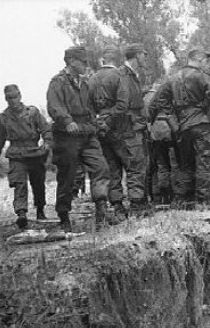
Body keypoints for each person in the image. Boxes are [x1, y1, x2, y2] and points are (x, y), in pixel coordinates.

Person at [47, 45, 114, 232]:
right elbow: (54, 106)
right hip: (67, 136)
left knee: (101, 168)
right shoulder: (57, 82)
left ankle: (101, 211)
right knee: (68, 177)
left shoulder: (84, 84)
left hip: (86, 133)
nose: (86, 65)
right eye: (83, 62)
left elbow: (90, 108)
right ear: (71, 62)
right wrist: (67, 121)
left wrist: (95, 122)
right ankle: (63, 216)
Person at [154, 46, 210, 208]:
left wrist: (172, 116)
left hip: (182, 125)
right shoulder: (200, 76)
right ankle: (202, 200)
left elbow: (159, 98)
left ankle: (184, 198)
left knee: (185, 163)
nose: (206, 64)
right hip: (201, 123)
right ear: (199, 60)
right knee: (204, 161)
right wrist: (206, 104)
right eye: (205, 61)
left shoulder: (173, 78)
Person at [0, 84, 52, 229]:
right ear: (6, 99)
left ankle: (40, 210)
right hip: (16, 154)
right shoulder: (3, 118)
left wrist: (47, 142)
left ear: (20, 96)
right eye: (9, 98)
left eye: (15, 97)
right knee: (19, 183)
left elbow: (45, 128)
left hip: (35, 152)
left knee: (38, 183)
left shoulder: (33, 112)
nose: (12, 101)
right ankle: (21, 213)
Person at [88, 44, 129, 220]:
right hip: (119, 127)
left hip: (99, 128)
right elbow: (122, 104)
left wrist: (99, 123)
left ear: (102, 59)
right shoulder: (119, 76)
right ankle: (132, 204)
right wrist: (109, 122)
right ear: (116, 60)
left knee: (110, 166)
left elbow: (87, 106)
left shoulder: (92, 79)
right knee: (131, 164)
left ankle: (116, 203)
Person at [117, 43, 150, 215]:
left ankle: (138, 201)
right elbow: (123, 103)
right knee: (135, 164)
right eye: (144, 54)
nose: (145, 57)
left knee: (139, 163)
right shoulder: (123, 74)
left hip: (136, 125)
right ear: (136, 55)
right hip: (129, 127)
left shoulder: (133, 75)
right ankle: (137, 205)